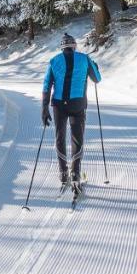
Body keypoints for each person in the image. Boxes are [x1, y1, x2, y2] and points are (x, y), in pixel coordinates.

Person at [41, 33, 102, 195]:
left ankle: (63, 174)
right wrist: (95, 66)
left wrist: (44, 108)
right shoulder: (84, 58)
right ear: (74, 46)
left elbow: (47, 85)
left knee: (59, 138)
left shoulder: (54, 61)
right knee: (77, 139)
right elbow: (97, 79)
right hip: (78, 105)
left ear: (62, 48)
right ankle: (75, 175)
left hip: (59, 106)